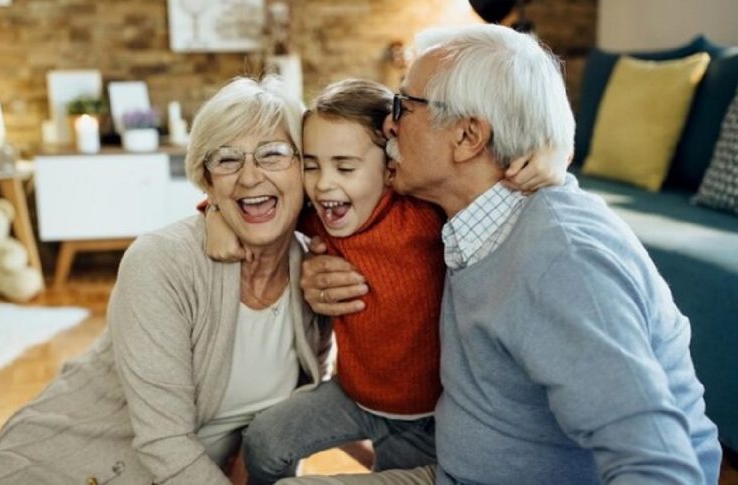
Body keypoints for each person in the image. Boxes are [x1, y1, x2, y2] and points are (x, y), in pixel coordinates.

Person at [295, 24, 722, 484]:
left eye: (405, 105)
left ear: (468, 137)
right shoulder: (462, 212)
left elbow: (661, 467)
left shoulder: (563, 263)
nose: (389, 124)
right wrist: (317, 263)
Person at [0, 76, 333, 485]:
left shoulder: (316, 269)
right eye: (226, 160)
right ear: (208, 182)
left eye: (273, 154)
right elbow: (164, 441)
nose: (249, 177)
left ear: (305, 167)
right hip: (73, 467)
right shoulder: (161, 261)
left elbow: (295, 409)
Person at [203, 78, 569, 483]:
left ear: (392, 170)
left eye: (344, 166)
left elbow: (498, 180)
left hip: (426, 415)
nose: (323, 184)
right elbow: (257, 205)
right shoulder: (320, 214)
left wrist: (555, 151)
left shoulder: (424, 215)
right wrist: (215, 214)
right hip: (353, 393)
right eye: (311, 164)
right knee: (265, 441)